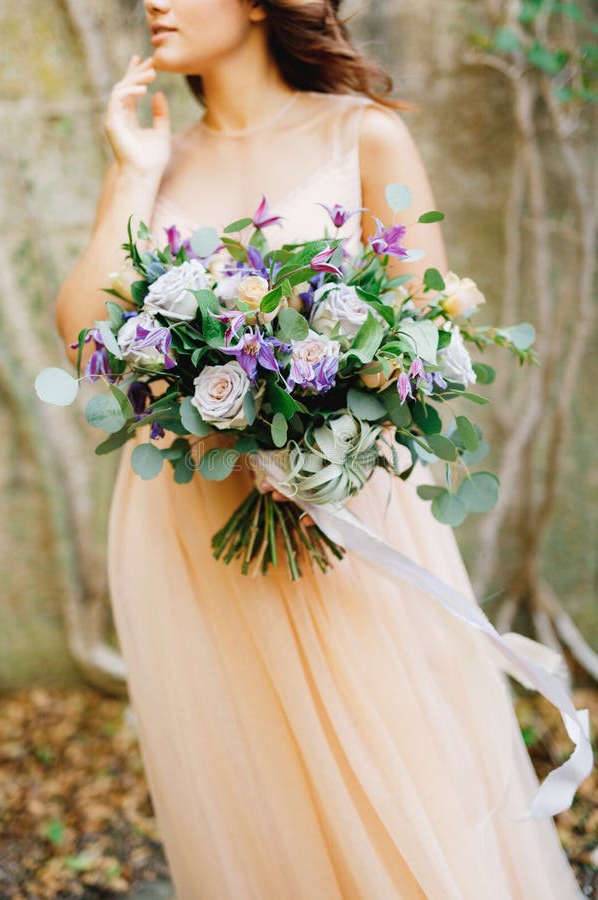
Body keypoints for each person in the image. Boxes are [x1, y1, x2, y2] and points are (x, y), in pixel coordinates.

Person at [55, 1, 585, 897]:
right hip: (188, 521)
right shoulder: (157, 161)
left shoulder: (366, 138)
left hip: (345, 518)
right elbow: (83, 344)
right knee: (246, 783)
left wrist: (312, 418)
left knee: (401, 772)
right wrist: (130, 177)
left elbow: (432, 330)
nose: (155, 1)